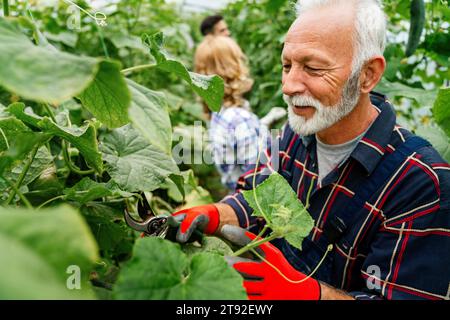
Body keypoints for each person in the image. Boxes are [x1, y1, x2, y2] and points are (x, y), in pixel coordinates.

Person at [171, 0, 450, 300]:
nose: (289, 86)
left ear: (367, 74)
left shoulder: (422, 183)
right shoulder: (295, 132)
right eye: (287, 66)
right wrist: (215, 214)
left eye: (313, 68)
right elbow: (254, 200)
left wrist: (308, 294)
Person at [194, 35, 286, 191]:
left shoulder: (218, 113)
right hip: (255, 204)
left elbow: (238, 144)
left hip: (236, 194)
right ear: (235, 67)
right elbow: (260, 177)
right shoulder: (240, 119)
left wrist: (263, 123)